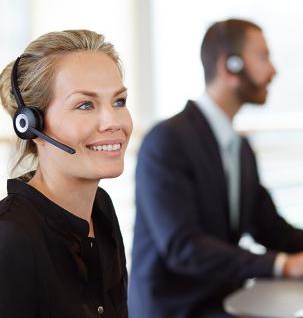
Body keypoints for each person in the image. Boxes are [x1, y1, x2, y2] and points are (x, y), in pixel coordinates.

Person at [128, 19, 303, 318]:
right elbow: (183, 247)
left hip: (224, 302)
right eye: (263, 57)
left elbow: (269, 227)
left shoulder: (240, 147)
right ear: (229, 66)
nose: (273, 70)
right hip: (177, 309)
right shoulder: (168, 140)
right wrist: (281, 265)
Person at [0, 29, 132, 317]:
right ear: (32, 126)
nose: (112, 121)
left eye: (119, 102)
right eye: (85, 105)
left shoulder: (100, 209)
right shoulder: (4, 238)